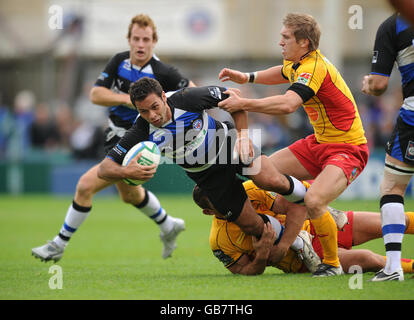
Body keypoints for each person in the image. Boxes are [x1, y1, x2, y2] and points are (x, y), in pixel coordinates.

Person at [217, 13, 369, 277]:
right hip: (319, 143)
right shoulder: (298, 63)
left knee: (314, 199)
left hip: (348, 148)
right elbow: (281, 72)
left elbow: (288, 104)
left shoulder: (314, 67)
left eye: (286, 37)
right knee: (261, 172)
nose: (280, 42)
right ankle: (318, 211)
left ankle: (331, 264)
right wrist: (247, 77)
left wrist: (245, 103)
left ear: (305, 43)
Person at [32, 14, 193, 262]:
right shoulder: (118, 61)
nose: (141, 44)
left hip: (136, 139)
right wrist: (126, 99)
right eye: (136, 39)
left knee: (86, 186)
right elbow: (96, 94)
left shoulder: (163, 71)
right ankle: (168, 224)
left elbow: (190, 92)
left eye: (146, 39)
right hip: (113, 133)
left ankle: (58, 244)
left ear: (154, 42)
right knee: (129, 194)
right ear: (128, 40)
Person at [97, 77, 313, 262]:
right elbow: (105, 168)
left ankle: (313, 201)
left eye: (155, 107)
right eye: (144, 111)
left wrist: (243, 136)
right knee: (251, 226)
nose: (152, 115)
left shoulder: (186, 98)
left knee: (269, 180)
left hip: (228, 145)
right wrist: (126, 173)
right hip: (207, 176)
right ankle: (296, 241)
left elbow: (233, 96)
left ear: (163, 97)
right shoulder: (141, 129)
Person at [193, 180, 414, 276]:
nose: (227, 200)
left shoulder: (249, 191)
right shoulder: (220, 241)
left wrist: (285, 243)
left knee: (395, 221)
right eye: (219, 202)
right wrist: (261, 257)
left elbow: (296, 206)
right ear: (209, 212)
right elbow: (243, 271)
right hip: (305, 260)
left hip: (320, 223)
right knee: (369, 260)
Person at [361, 13, 414, 281]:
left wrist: (368, 84)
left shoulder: (393, 25)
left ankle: (393, 267)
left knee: (393, 188)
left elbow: (380, 84)